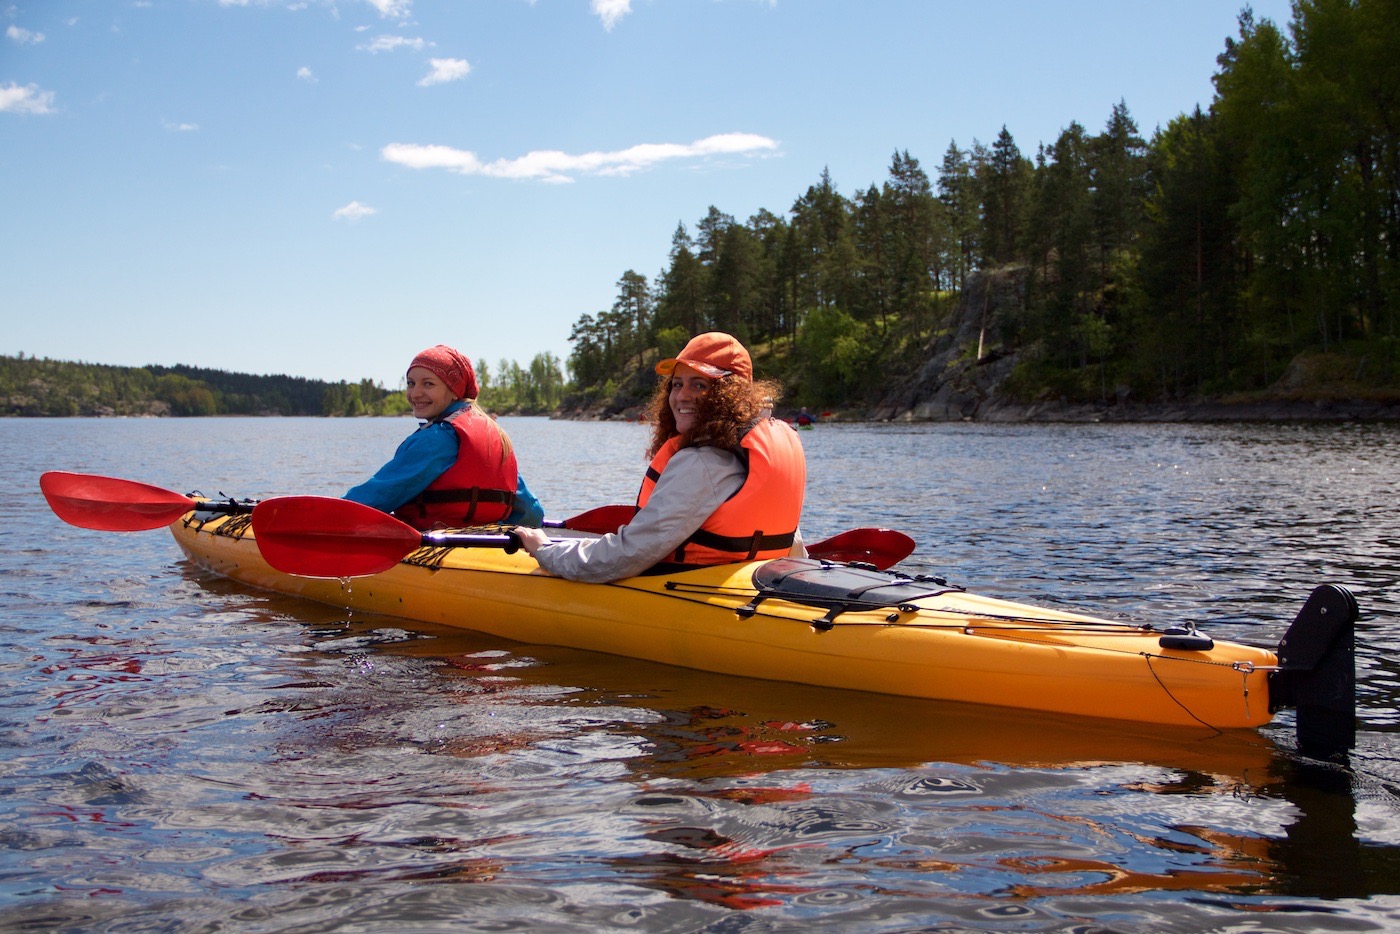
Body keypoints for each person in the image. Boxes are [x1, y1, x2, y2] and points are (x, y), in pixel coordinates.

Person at [515, 331, 806, 583]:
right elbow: (795, 545)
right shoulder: (760, 448)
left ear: (729, 395)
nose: (681, 396)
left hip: (687, 590)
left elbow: (626, 554)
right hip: (750, 583)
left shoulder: (703, 462)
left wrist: (546, 550)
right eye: (677, 384)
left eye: (699, 385)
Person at [345, 344, 544, 530]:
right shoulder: (496, 435)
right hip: (489, 543)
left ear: (454, 391)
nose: (415, 393)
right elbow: (532, 513)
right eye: (411, 383)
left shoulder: (438, 438)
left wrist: (331, 514)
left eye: (428, 384)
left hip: (437, 546)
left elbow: (377, 495)